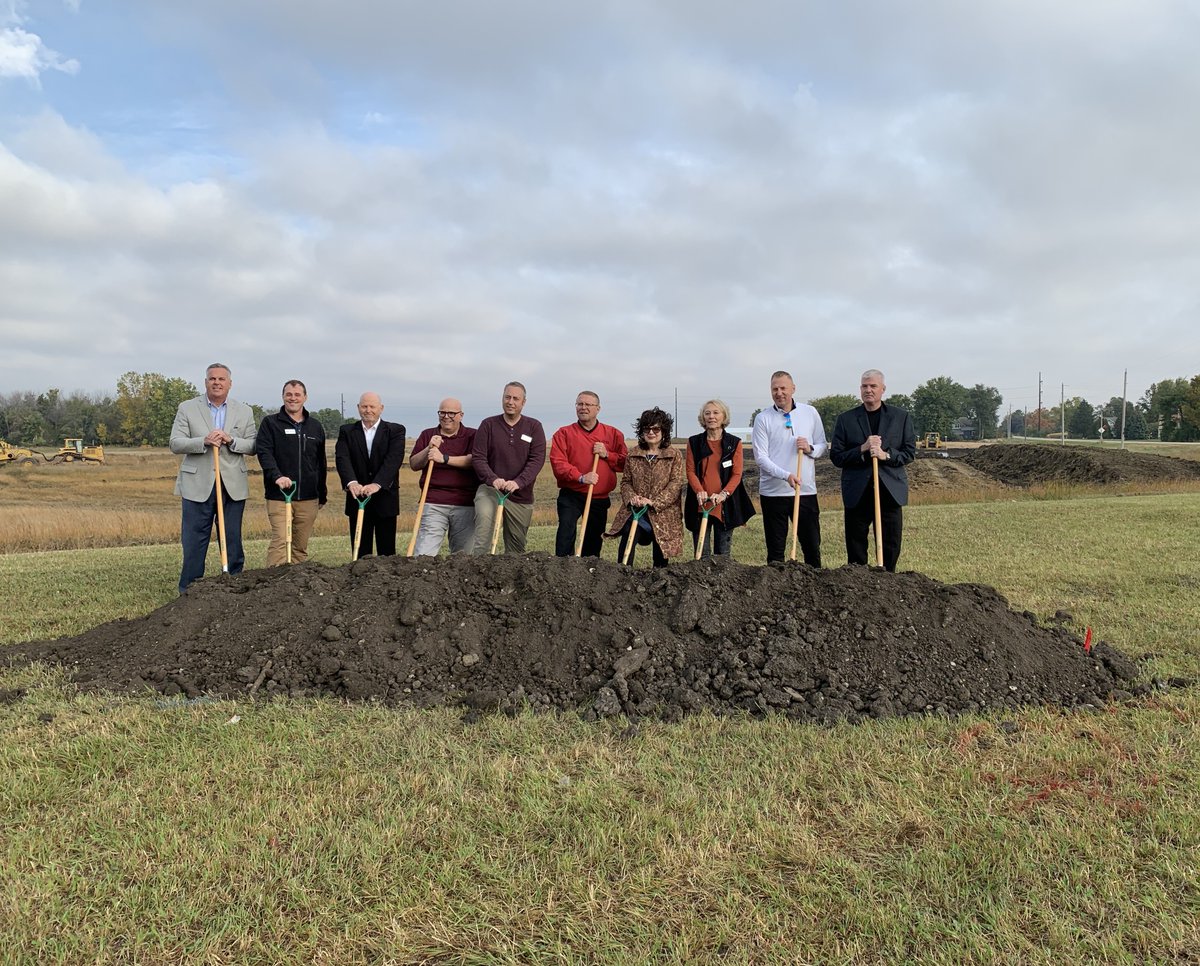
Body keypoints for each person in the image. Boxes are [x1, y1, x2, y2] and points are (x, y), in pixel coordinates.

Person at [169, 363, 258, 593]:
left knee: (231, 539)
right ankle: (189, 591)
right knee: (194, 541)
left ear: (230, 383)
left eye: (221, 379)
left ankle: (233, 586)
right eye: (212, 379)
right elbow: (175, 443)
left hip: (232, 485)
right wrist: (203, 441)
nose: (216, 382)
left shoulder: (244, 411)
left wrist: (231, 440)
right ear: (205, 382)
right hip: (197, 485)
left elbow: (253, 445)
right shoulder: (187, 408)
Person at [830, 369, 917, 572]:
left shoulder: (900, 417)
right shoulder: (846, 419)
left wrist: (886, 455)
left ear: (882, 389)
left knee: (891, 543)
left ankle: (887, 582)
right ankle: (859, 583)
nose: (868, 390)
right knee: (855, 543)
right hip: (857, 491)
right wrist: (863, 448)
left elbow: (909, 453)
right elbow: (837, 456)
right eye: (864, 386)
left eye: (873, 386)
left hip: (890, 490)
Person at [751, 370, 827, 566]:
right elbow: (761, 457)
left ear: (793, 388)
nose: (779, 393)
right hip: (773, 493)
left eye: (783, 388)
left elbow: (822, 446)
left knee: (811, 546)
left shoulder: (810, 412)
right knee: (776, 551)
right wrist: (786, 476)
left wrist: (809, 448)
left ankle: (814, 585)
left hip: (805, 492)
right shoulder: (763, 418)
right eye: (775, 389)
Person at [255, 379, 328, 566]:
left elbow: (320, 462)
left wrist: (322, 495)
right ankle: (273, 584)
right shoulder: (270, 423)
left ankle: (296, 587)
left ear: (305, 397)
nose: (293, 398)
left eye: (297, 395)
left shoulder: (315, 427)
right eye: (289, 394)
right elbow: (265, 453)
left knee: (299, 546)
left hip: (308, 497)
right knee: (280, 540)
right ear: (283, 397)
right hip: (279, 496)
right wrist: (277, 476)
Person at [549, 391, 628, 557]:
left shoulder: (613, 434)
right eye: (579, 404)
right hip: (571, 494)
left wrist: (608, 454)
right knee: (566, 529)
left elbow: (625, 464)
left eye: (588, 404)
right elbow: (558, 463)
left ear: (598, 408)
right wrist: (580, 477)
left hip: (598, 498)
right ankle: (563, 567)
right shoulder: (564, 433)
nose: (583, 407)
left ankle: (588, 574)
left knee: (593, 540)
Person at [471, 382, 546, 554]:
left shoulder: (534, 427)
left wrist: (519, 482)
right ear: (502, 398)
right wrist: (493, 479)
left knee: (516, 549)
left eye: (515, 398)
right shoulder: (488, 425)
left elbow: (537, 459)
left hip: (520, 495)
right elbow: (479, 457)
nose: (510, 402)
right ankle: (480, 569)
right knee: (483, 532)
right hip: (490, 489)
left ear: (523, 402)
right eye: (507, 397)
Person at [606, 407, 685, 567]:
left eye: (656, 429)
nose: (651, 432)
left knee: (660, 552)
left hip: (663, 513)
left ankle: (660, 579)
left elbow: (676, 483)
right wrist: (632, 497)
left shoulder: (674, 455)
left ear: (663, 431)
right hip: (637, 512)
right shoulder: (633, 454)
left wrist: (653, 502)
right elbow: (626, 481)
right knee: (628, 535)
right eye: (646, 428)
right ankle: (623, 574)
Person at [334, 392, 406, 558]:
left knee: (387, 553)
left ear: (381, 408)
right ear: (358, 408)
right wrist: (351, 482)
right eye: (364, 406)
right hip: (358, 497)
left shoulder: (395, 431)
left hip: (385, 498)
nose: (368, 410)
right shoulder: (347, 431)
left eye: (372, 406)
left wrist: (377, 484)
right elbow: (342, 458)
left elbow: (393, 460)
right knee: (360, 551)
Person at [684, 399, 756, 558]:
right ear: (703, 418)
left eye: (716, 413)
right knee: (702, 554)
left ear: (724, 417)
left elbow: (737, 474)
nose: (711, 416)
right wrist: (700, 491)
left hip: (724, 504)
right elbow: (690, 471)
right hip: (700, 503)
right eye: (707, 413)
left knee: (722, 555)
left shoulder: (734, 443)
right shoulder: (694, 442)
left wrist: (724, 494)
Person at [408, 399, 478, 556]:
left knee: (463, 557)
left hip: (465, 502)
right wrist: (429, 449)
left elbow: (474, 460)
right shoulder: (428, 435)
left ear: (461, 415)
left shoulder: (473, 435)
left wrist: (444, 458)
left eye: (451, 413)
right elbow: (414, 464)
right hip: (433, 501)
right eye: (442, 412)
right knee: (423, 556)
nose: (446, 416)